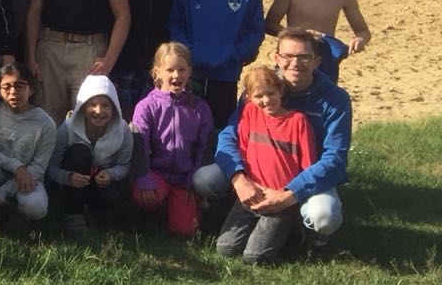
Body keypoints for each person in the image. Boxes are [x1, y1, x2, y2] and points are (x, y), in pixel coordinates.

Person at [193, 27, 351, 250]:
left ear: (317, 61)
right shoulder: (261, 88)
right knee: (204, 179)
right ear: (277, 58)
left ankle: (305, 232)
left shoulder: (336, 99)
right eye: (288, 56)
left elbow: (335, 159)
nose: (295, 63)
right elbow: (229, 135)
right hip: (256, 171)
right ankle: (241, 210)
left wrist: (290, 194)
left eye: (304, 57)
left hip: (304, 175)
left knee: (323, 215)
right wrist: (239, 179)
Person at [212, 64, 321, 264]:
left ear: (281, 91)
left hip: (280, 201)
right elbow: (242, 149)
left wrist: (288, 195)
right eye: (259, 96)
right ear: (249, 98)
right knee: (225, 249)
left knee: (255, 257)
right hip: (252, 194)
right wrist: (246, 183)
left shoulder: (297, 121)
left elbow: (308, 164)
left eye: (271, 93)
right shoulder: (249, 113)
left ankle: (293, 230)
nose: (266, 100)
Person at [169, 0, 265, 133]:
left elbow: (256, 30)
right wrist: (188, 52)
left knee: (220, 127)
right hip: (192, 71)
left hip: (226, 72)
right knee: (186, 125)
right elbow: (176, 23)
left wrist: (235, 53)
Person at [129, 42, 211, 238]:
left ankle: (180, 208)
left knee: (185, 230)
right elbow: (139, 145)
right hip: (156, 174)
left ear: (190, 71)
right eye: (170, 70)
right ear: (157, 72)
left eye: (182, 70)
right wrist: (144, 177)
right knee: (144, 196)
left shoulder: (200, 108)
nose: (176, 75)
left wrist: (194, 179)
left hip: (185, 178)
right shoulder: (146, 106)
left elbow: (205, 147)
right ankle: (154, 210)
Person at [46, 75, 136, 236]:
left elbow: (125, 165)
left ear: (114, 108)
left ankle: (95, 213)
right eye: (92, 105)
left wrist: (110, 174)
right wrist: (68, 177)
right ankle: (73, 215)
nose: (99, 111)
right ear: (82, 107)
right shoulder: (67, 128)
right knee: (79, 152)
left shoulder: (123, 130)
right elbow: (51, 165)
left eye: (105, 105)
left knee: (112, 196)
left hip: (101, 183)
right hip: (71, 182)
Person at [0, 62, 54, 232]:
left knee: (36, 208)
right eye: (6, 87)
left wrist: (5, 190)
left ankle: (16, 213)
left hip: (29, 177)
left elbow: (39, 167)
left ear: (31, 89)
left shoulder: (46, 124)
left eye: (19, 86)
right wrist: (16, 167)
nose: (13, 92)